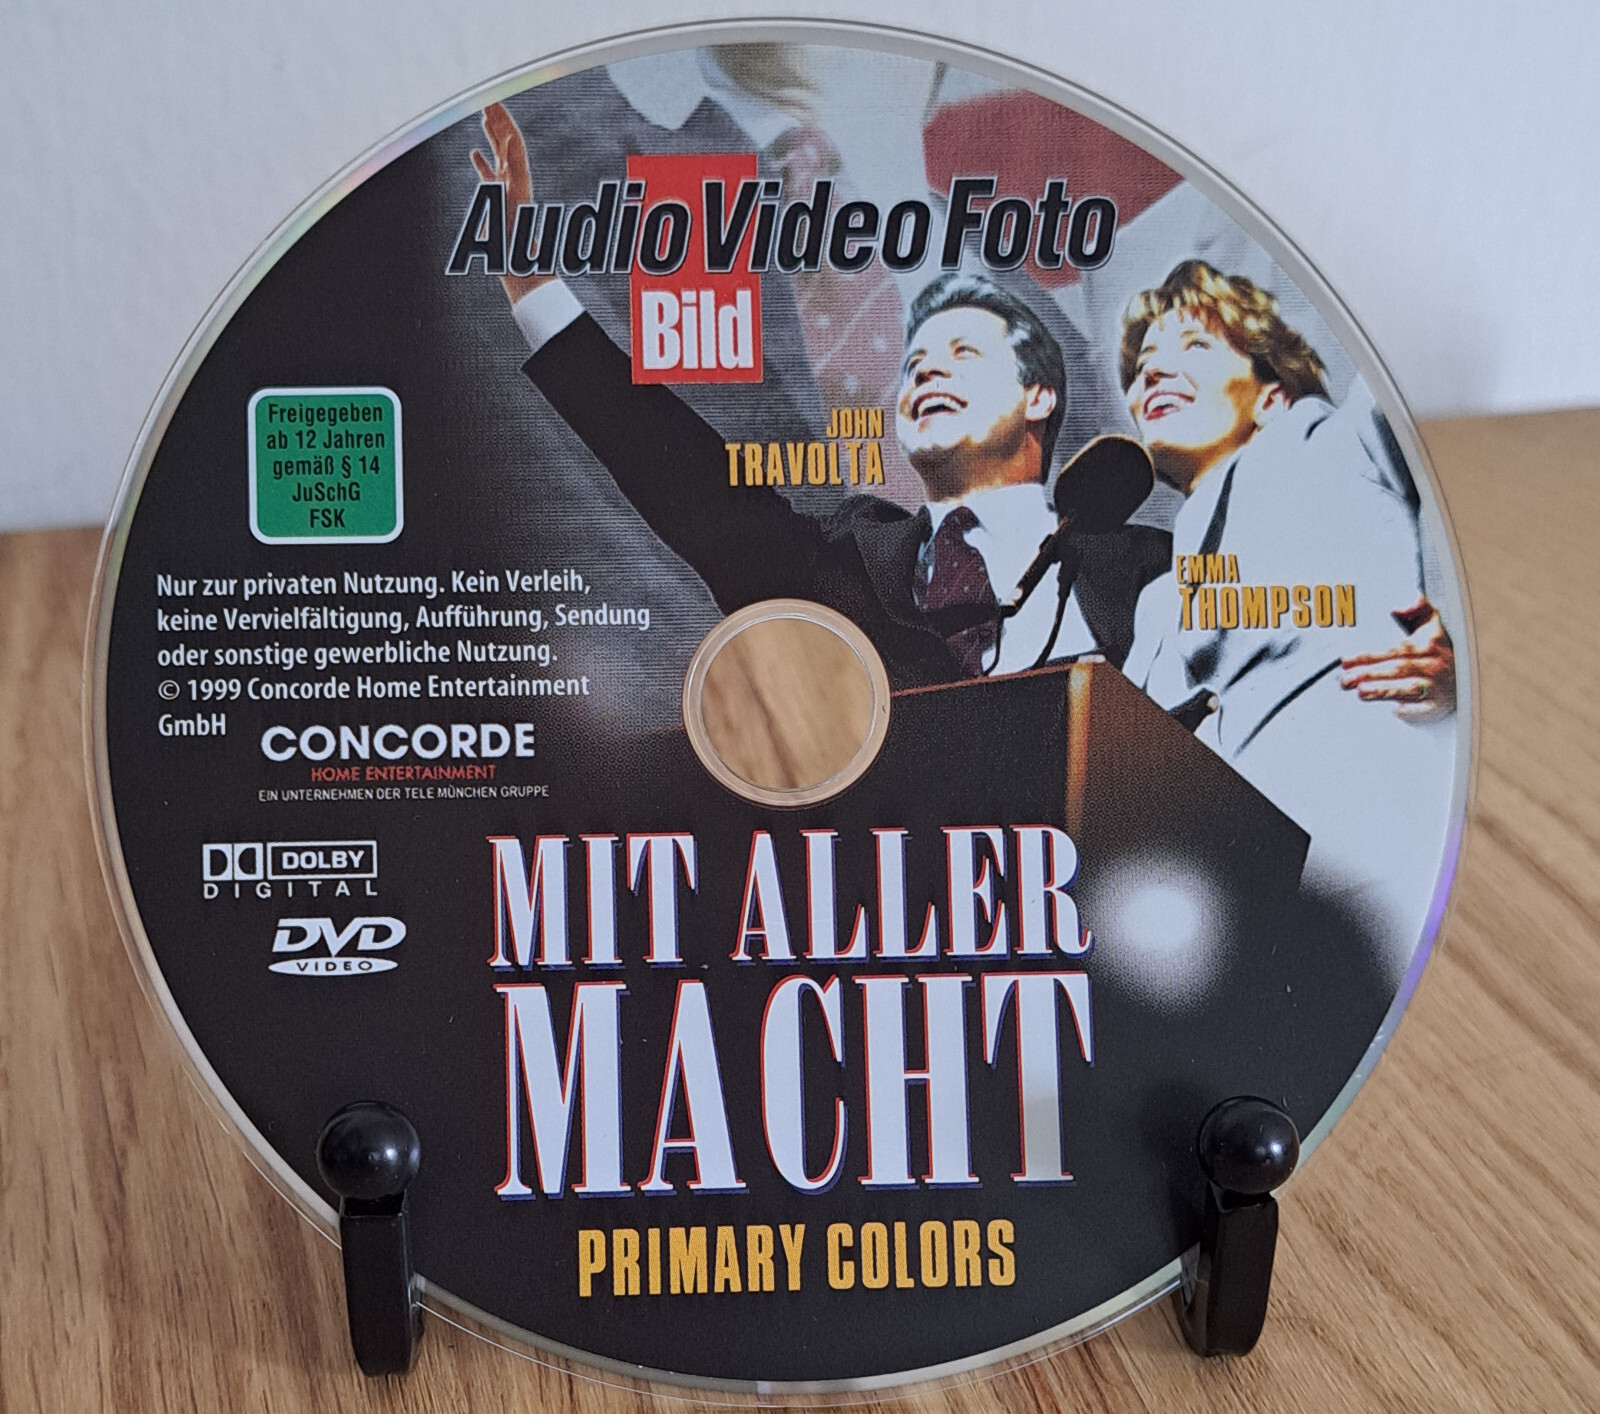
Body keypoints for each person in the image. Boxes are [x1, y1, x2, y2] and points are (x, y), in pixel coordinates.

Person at [471, 102, 1169, 687]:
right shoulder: (846, 563)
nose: (927, 372)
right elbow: (686, 481)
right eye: (916, 362)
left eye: (964, 353)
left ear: (1039, 397)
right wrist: (536, 292)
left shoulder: (1150, 569)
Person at [1118, 261, 1457, 971]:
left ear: (1272, 396)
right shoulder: (1154, 607)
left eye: (1195, 346)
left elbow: (1493, 434)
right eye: (1143, 365)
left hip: (1382, 867)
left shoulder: (1343, 442)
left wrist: (1478, 666)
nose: (1152, 374)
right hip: (1240, 930)